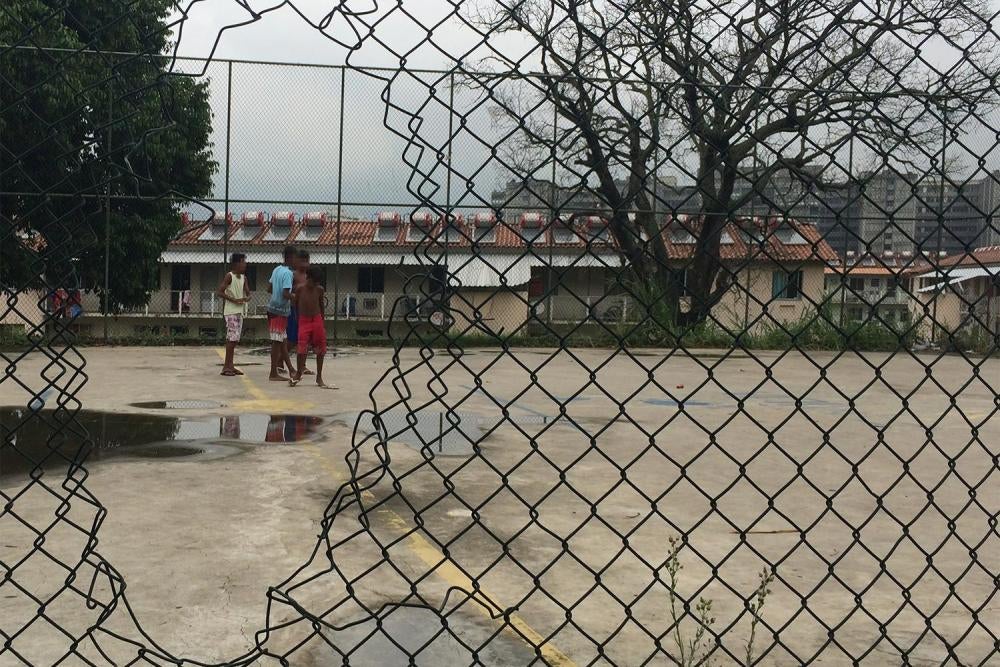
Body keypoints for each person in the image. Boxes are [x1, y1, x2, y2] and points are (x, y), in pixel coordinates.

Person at [290, 266, 330, 388]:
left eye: (318, 282)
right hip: (304, 320)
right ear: (308, 278)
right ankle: (298, 373)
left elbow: (321, 305)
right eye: (314, 281)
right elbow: (295, 304)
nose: (316, 284)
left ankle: (319, 377)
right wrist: (297, 319)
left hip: (316, 319)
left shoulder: (319, 289)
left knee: (321, 348)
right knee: (301, 348)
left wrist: (322, 321)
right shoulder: (299, 289)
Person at [266, 246, 297, 381]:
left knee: (282, 341)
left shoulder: (276, 269)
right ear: (290, 257)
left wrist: (277, 295)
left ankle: (291, 369)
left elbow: (269, 289)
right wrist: (295, 297)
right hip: (279, 311)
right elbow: (285, 293)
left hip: (273, 309)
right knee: (277, 342)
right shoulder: (288, 274)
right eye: (295, 258)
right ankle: (273, 373)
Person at [218, 253, 250, 376]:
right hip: (231, 311)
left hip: (239, 312)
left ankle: (231, 365)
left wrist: (247, 297)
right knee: (231, 339)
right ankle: (226, 367)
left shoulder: (244, 278)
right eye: (243, 262)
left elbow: (247, 292)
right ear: (237, 263)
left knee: (235, 340)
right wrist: (234, 300)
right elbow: (220, 292)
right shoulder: (229, 276)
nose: (245, 264)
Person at [288, 249, 313, 375]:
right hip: (294, 310)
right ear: (296, 262)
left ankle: (302, 366)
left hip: (307, 312)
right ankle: (281, 360)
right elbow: (287, 292)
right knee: (291, 340)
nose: (304, 264)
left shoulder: (310, 276)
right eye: (302, 261)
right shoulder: (293, 275)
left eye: (306, 261)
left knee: (305, 339)